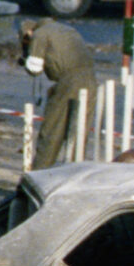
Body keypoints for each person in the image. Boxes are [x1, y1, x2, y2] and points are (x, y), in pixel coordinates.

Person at [21, 18, 98, 170]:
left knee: (52, 132)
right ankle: (72, 177)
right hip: (90, 79)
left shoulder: (40, 34)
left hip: (69, 81)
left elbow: (34, 69)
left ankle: (39, 176)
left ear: (29, 33)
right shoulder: (66, 29)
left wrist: (26, 59)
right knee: (78, 135)